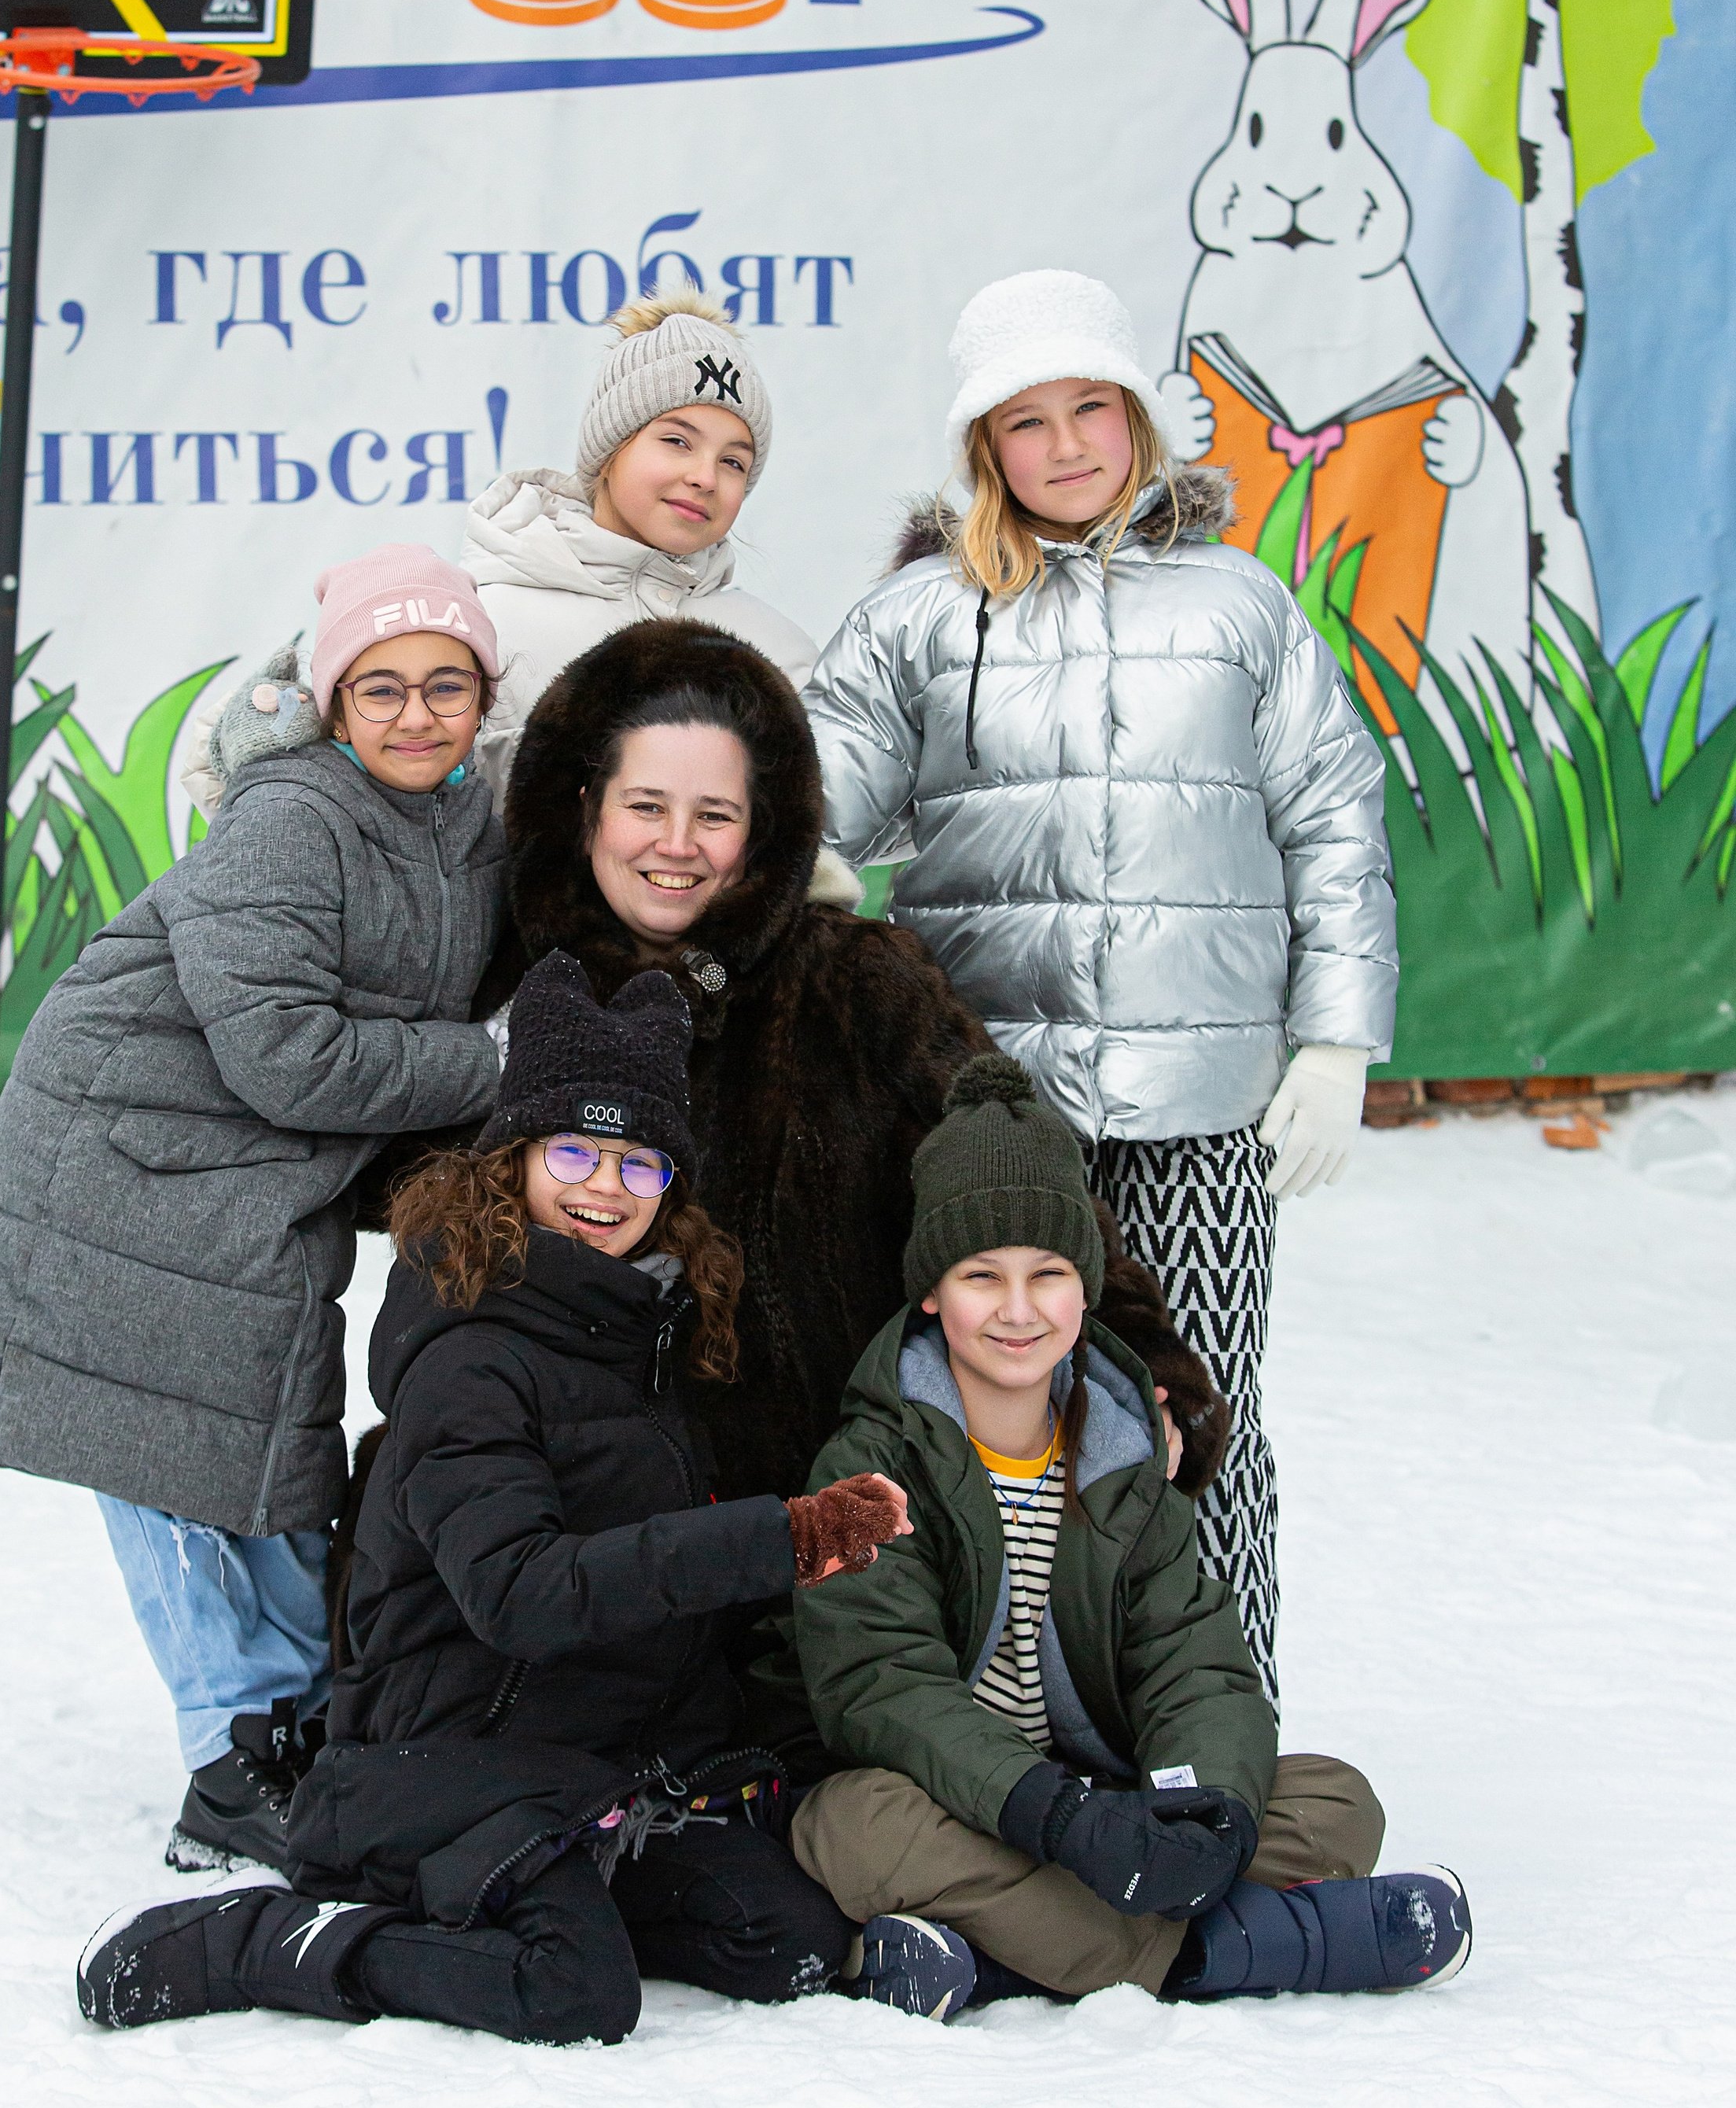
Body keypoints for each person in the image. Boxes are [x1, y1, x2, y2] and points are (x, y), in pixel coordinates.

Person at [76, 949, 911, 2046]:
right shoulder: (470, 1359)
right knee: (573, 1988)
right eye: (574, 1150)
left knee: (787, 1936)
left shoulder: (644, 1330)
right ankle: (261, 1938)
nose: (605, 1189)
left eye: (640, 1162)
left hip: (591, 1767)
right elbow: (527, 1596)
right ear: (511, 1160)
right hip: (440, 1762)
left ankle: (539, 1882)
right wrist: (783, 1536)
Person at [801, 270, 1400, 1702]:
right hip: (989, 1108)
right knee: (993, 1412)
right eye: (1027, 421)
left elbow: (1333, 811)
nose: (1067, 445)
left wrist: (1335, 1039)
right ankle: (1002, 1721)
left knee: (1199, 1410)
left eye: (1092, 408)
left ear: (1138, 417)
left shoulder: (1242, 604)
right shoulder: (924, 616)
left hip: (1199, 1106)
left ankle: (1218, 1713)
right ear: (982, 447)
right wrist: (792, 858)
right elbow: (820, 782)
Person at [0, 545, 509, 1871]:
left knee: (271, 1458)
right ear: (334, 705)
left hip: (254, 1181)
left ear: (483, 696)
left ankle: (297, 1727)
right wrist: (503, 1060)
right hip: (130, 1167)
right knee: (174, 1470)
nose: (414, 713)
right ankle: (235, 1763)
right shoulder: (292, 815)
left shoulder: (464, 822)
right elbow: (286, 1049)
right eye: (381, 686)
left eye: (444, 683)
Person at [481, 618, 1231, 1514]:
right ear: (584, 807)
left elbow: (1019, 1174)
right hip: (580, 1521)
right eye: (645, 806)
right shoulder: (512, 987)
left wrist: (1141, 1366)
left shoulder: (858, 977)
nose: (676, 844)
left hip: (841, 1518)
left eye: (715, 815)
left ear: (763, 831)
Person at [773, 1054, 1469, 2018]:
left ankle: (1002, 1962)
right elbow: (877, 1687)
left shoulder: (1119, 1447)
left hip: (1109, 1793)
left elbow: (1197, 1663)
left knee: (1333, 1797)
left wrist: (1203, 1809)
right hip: (965, 1800)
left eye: (1048, 1275)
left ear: (1086, 1289)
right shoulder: (865, 1466)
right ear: (932, 1293)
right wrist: (1054, 1816)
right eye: (982, 1276)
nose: (1018, 1311)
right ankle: (1229, 1951)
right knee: (849, 1828)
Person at [462, 286, 817, 803]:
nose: (705, 477)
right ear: (609, 450)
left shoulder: (779, 653)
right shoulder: (486, 627)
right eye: (677, 441)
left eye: (733, 461)